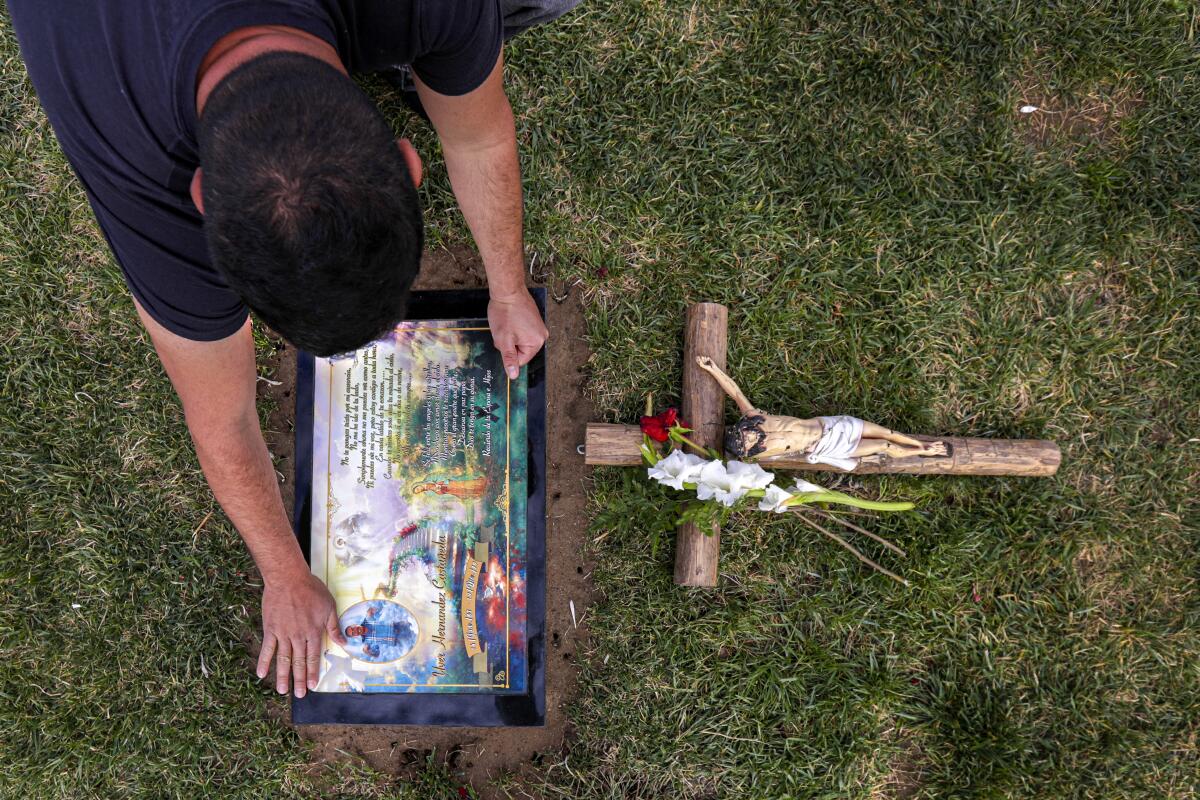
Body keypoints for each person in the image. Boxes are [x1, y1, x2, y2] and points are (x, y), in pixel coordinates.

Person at [9, 0, 577, 699]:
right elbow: (221, 418)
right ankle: (435, 57)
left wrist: (508, 287)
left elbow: (481, 140)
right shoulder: (128, 153)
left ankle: (437, 53)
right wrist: (283, 571)